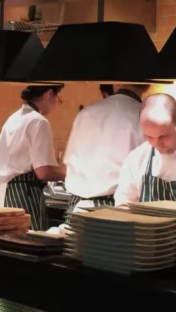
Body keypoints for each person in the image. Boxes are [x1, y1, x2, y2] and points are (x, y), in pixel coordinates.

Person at [0, 85, 66, 231]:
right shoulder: (39, 122)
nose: (56, 104)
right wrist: (68, 172)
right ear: (49, 94)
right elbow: (44, 172)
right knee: (30, 245)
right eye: (58, 98)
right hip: (23, 196)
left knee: (3, 245)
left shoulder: (13, 118)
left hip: (1, 195)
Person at [64, 83, 150, 214]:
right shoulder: (144, 116)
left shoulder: (84, 113)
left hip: (76, 208)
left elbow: (68, 162)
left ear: (116, 83)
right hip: (116, 208)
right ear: (147, 86)